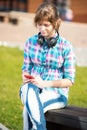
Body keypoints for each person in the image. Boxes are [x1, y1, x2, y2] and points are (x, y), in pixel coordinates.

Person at [20, 2, 75, 130]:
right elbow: (25, 69)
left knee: (28, 110)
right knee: (28, 90)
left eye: (46, 25)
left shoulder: (65, 46)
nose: (42, 29)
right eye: (39, 25)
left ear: (55, 23)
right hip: (31, 89)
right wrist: (26, 77)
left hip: (56, 93)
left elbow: (69, 81)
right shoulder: (30, 42)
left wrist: (45, 83)